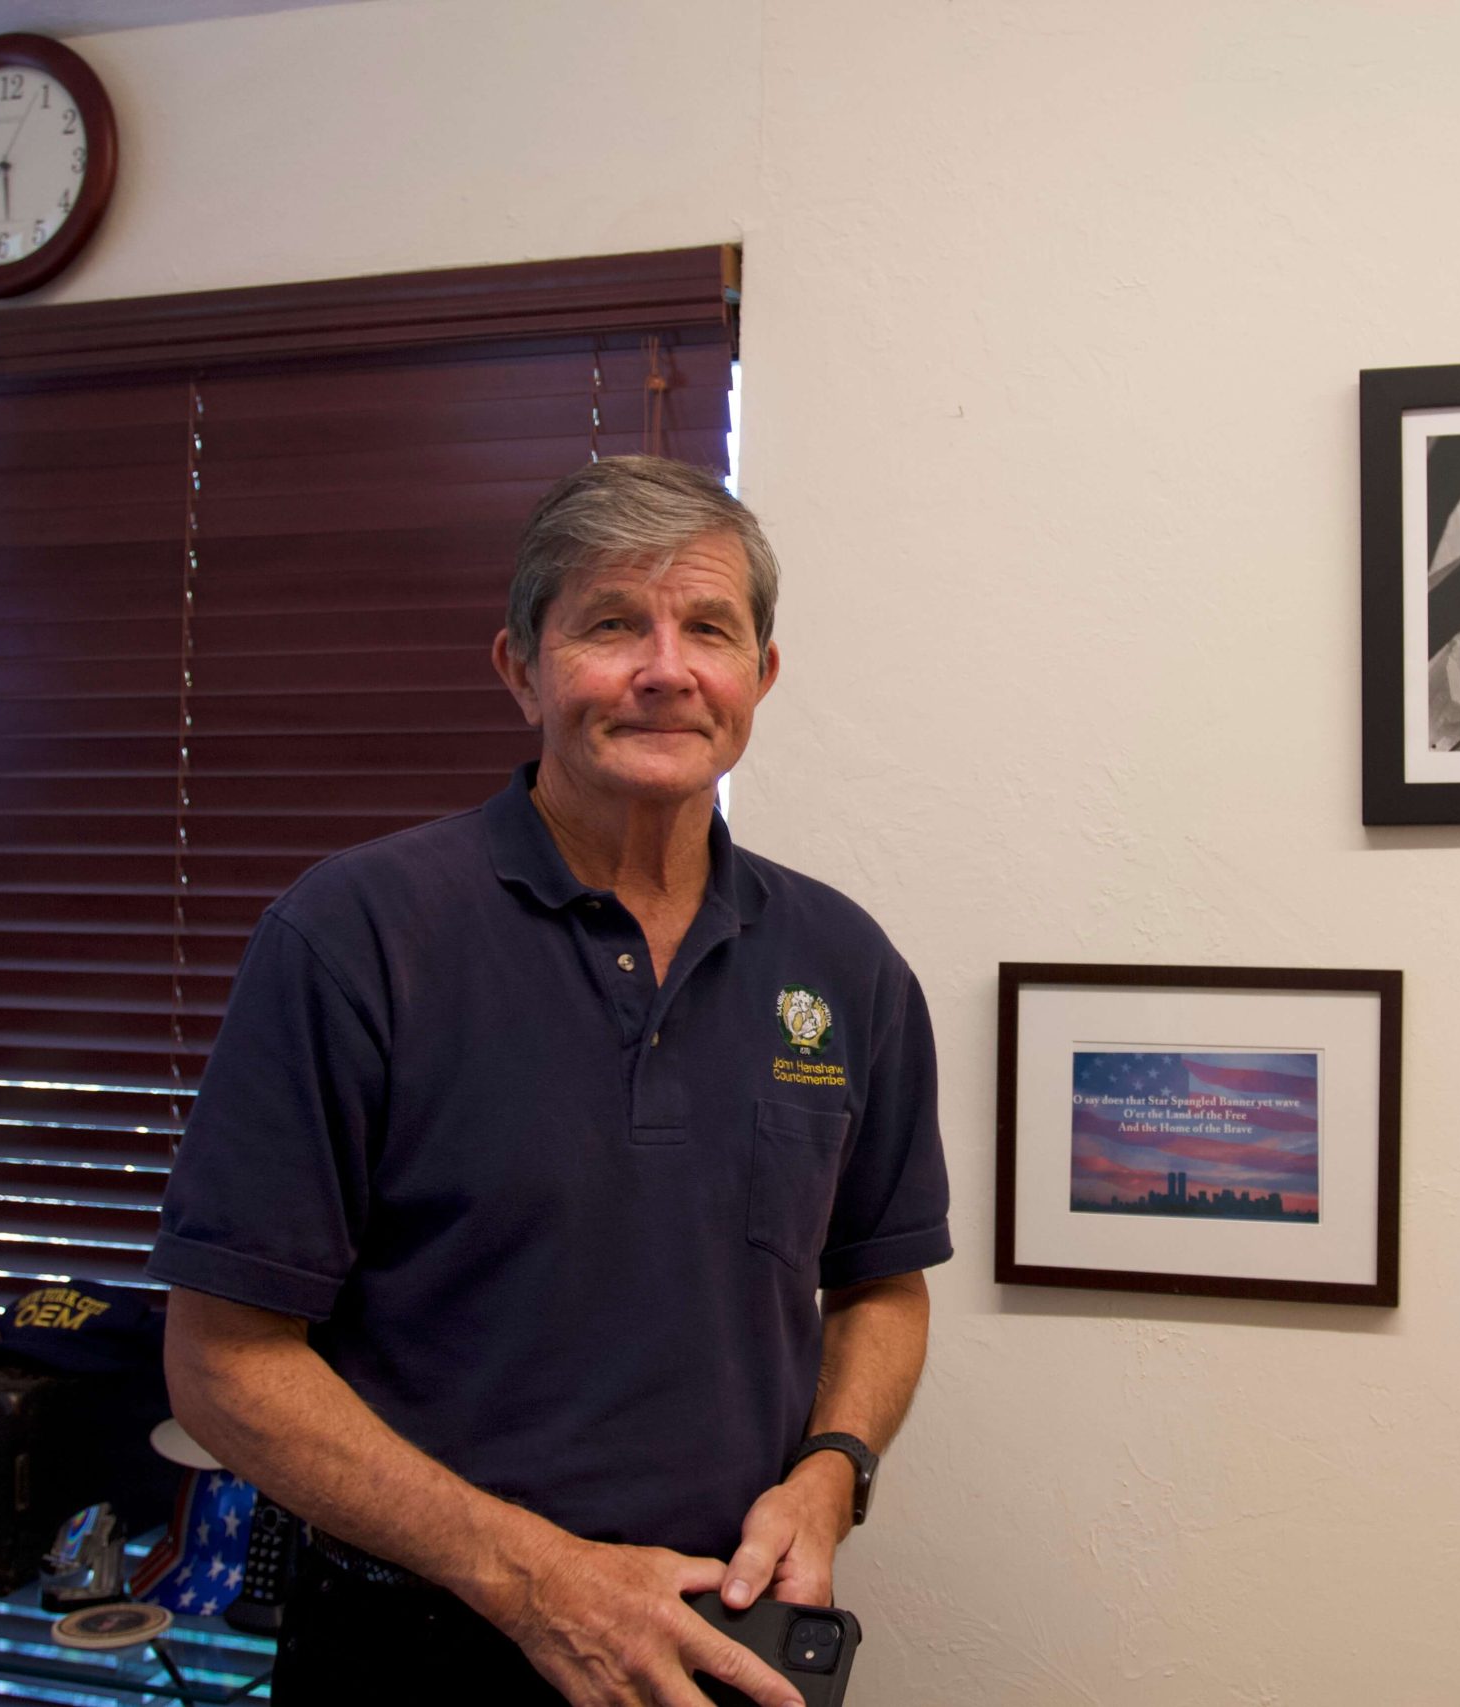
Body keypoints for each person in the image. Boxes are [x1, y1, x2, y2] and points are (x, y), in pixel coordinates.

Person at [149, 457, 953, 1707]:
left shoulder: (843, 964)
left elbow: (880, 1284)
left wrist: (833, 1470)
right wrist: (535, 1582)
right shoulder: (356, 935)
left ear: (761, 678)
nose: (665, 669)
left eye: (708, 630)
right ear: (519, 667)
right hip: (418, 1645)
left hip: (720, 1638)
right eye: (611, 623)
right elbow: (224, 1362)